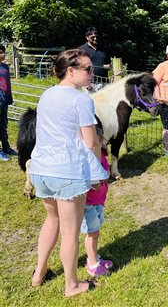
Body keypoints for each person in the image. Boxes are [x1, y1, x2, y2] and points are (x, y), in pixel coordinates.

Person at [29, 49, 108, 297]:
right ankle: (71, 285)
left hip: (42, 170)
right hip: (68, 173)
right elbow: (92, 143)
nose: (91, 73)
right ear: (70, 71)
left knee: (51, 221)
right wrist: (96, 175)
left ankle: (39, 274)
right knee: (70, 232)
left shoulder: (46, 94)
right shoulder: (82, 99)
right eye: (87, 69)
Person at [82, 126, 113, 277]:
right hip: (88, 205)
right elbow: (92, 181)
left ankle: (95, 258)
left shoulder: (102, 158)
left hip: (98, 202)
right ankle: (92, 264)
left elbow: (106, 173)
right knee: (92, 233)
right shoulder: (87, 160)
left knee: (95, 232)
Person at [0, 44, 16, 161]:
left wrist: (9, 97)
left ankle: (6, 147)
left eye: (3, 52)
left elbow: (7, 85)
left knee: (3, 124)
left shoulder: (5, 67)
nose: (3, 55)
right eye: (0, 52)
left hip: (4, 100)